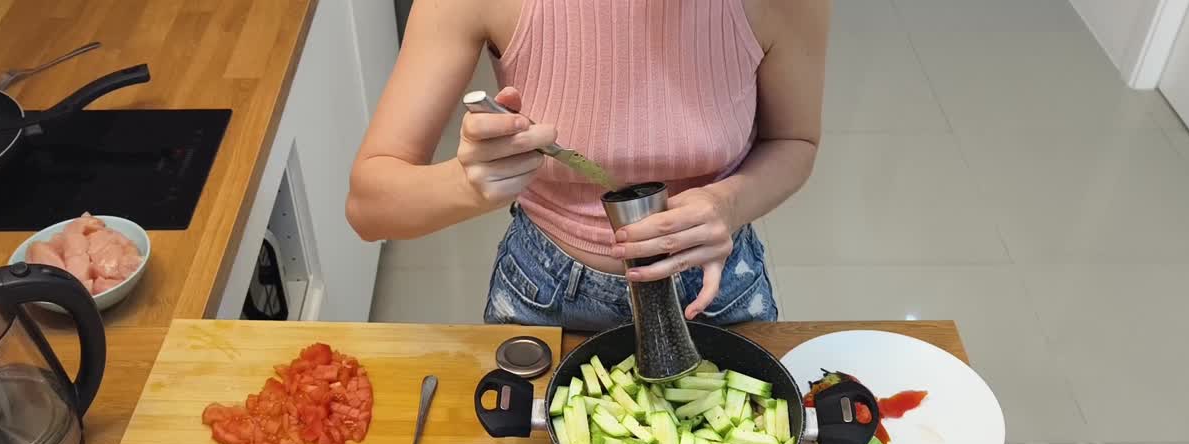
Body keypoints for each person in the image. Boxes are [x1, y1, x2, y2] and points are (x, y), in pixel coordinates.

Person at [347, 0, 830, 331]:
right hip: (546, 295)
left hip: (715, 289)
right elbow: (369, 207)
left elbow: (795, 140)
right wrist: (469, 183)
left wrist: (727, 203)